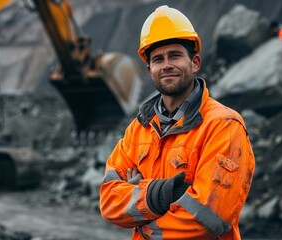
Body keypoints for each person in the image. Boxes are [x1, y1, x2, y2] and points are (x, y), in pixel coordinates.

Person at [99, 5, 255, 240]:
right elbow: (109, 202)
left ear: (195, 62)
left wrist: (139, 205)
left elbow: (208, 218)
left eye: (175, 55)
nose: (167, 65)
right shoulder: (138, 130)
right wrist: (157, 195)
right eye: (158, 59)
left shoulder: (223, 126)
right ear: (150, 69)